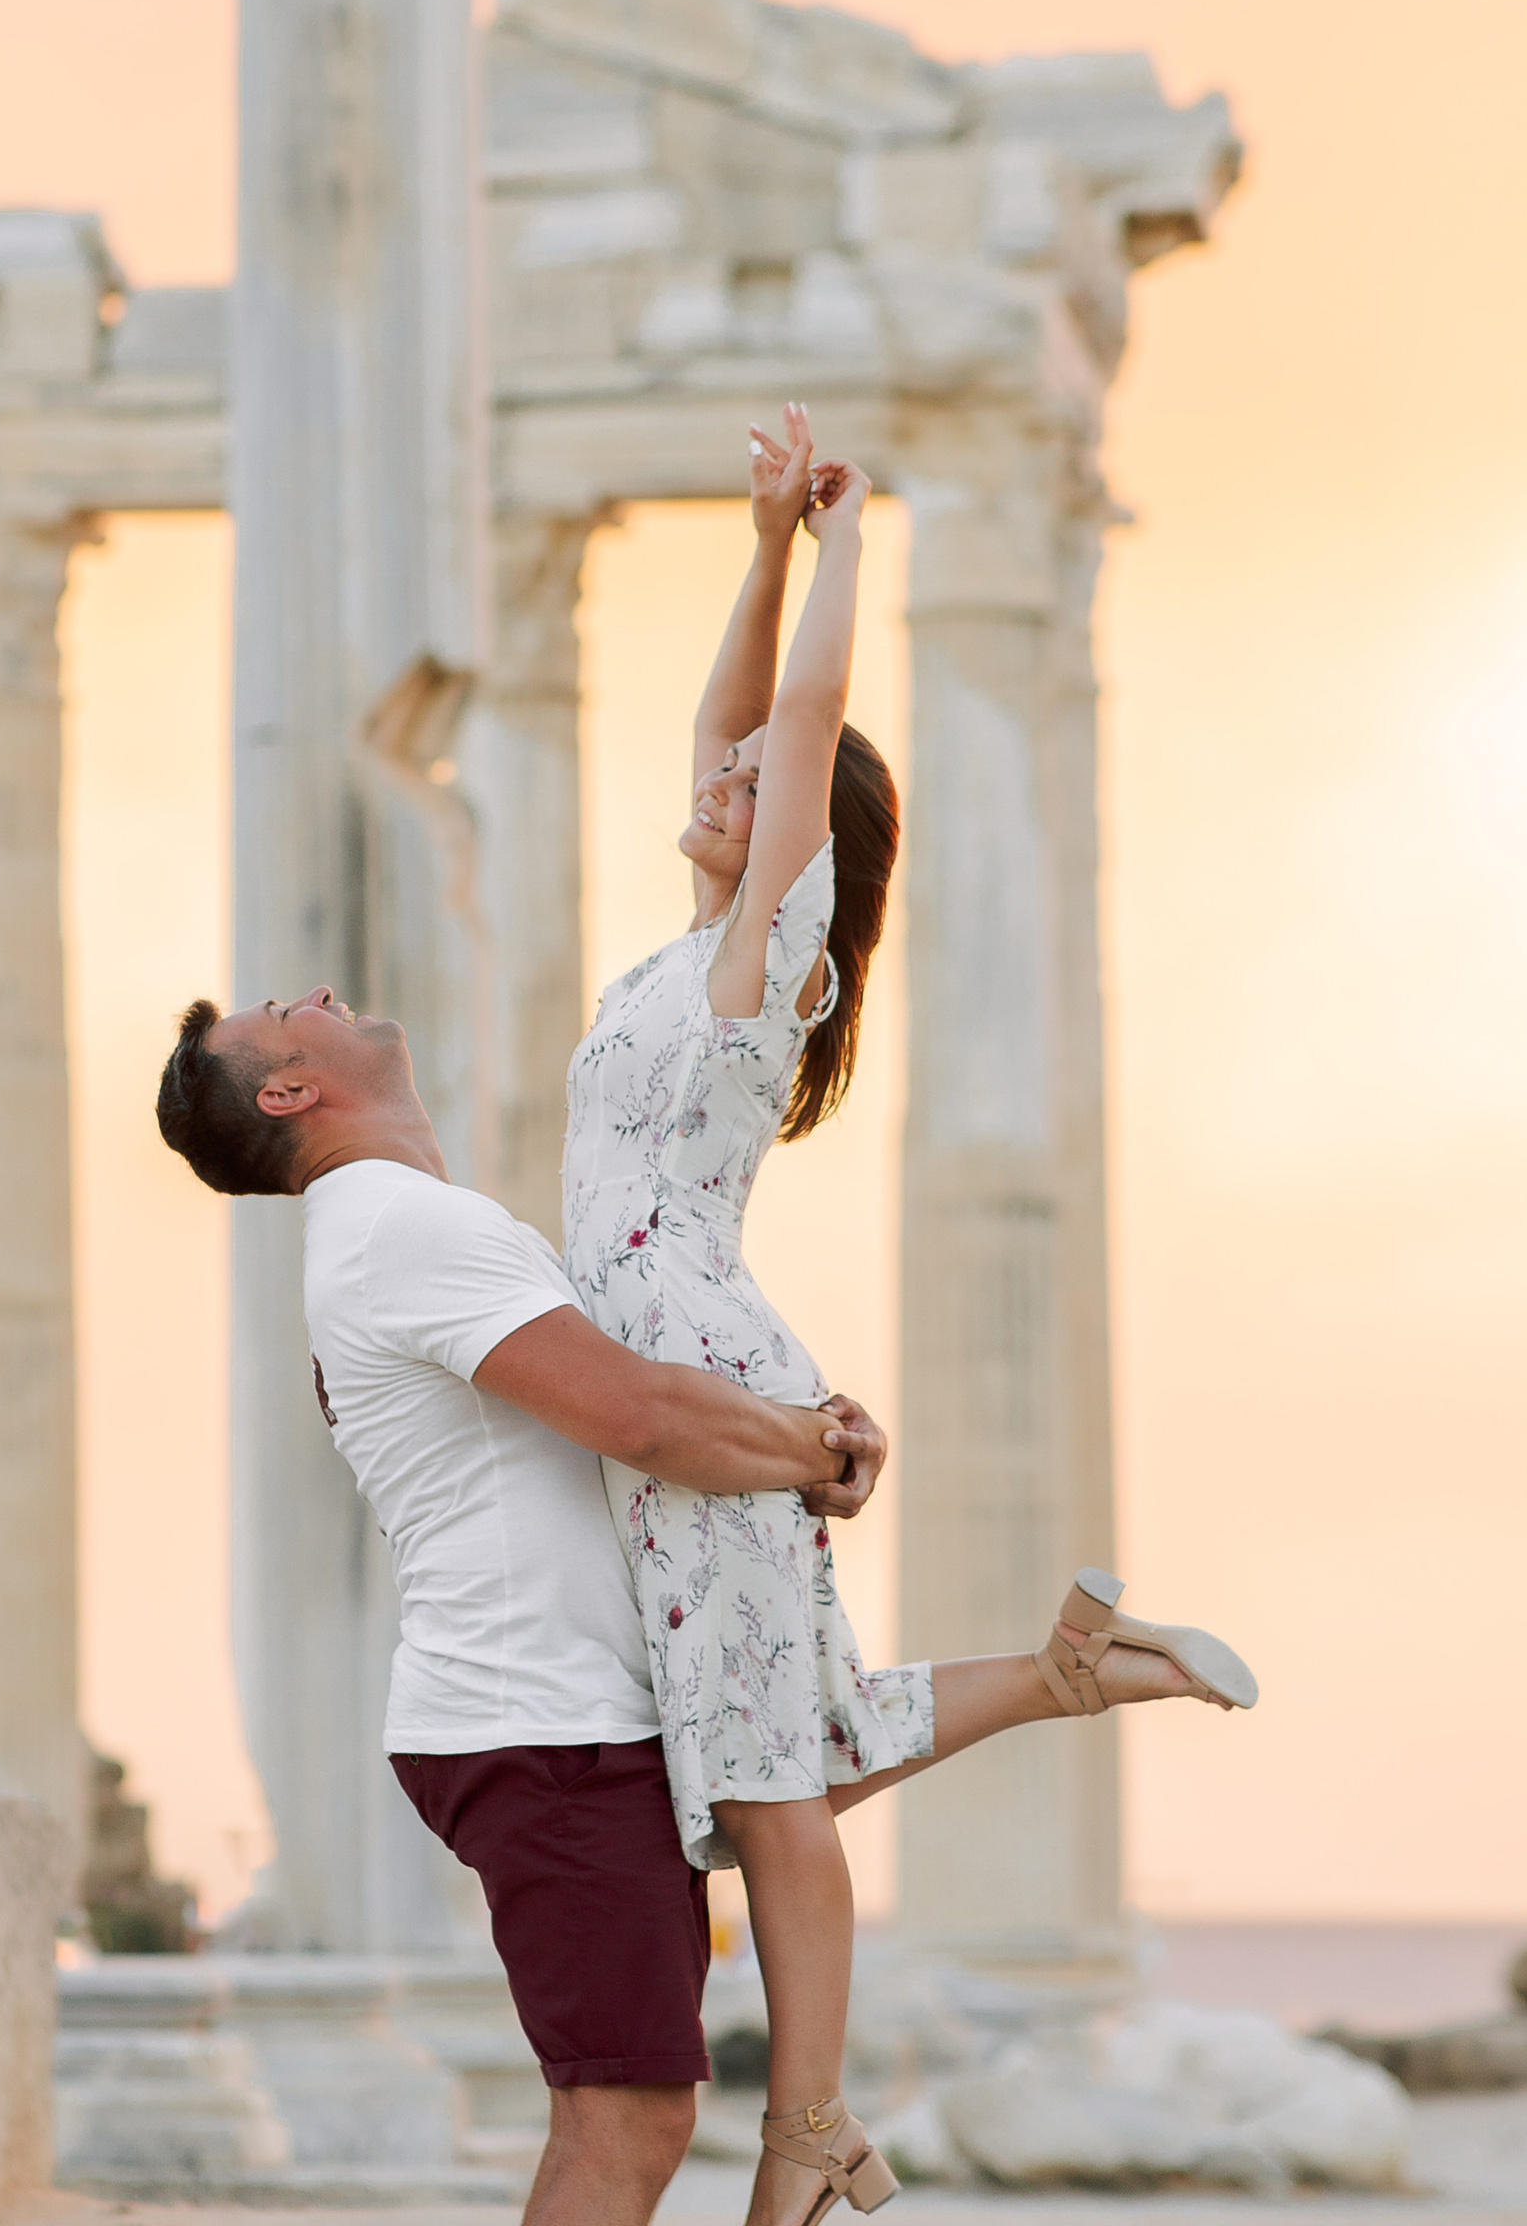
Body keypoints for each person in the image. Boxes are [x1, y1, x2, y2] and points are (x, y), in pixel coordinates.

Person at [560, 405, 1257, 2225]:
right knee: (759, 1748)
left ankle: (805, 2134)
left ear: (806, 852)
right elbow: (733, 725)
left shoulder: (762, 956)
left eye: (758, 793)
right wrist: (761, 541)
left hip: (694, 1370)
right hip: (688, 1351)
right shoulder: (684, 947)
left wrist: (856, 540)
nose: (717, 783)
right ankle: (1067, 1672)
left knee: (765, 1779)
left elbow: (785, 736)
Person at [158, 981, 869, 2226]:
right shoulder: (395, 1225)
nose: (322, 989)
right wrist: (813, 1445)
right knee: (626, 2117)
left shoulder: (400, 1223)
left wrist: (795, 1446)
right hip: (539, 1727)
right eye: (287, 1007)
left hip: (544, 1720)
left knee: (624, 2109)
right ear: (287, 1090)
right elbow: (637, 1413)